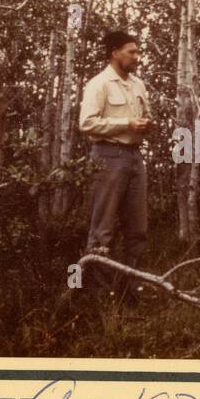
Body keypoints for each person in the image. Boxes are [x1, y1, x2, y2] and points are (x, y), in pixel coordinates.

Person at [78, 30, 151, 286]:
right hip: (107, 157)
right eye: (131, 52)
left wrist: (145, 124)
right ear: (115, 53)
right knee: (102, 230)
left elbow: (144, 116)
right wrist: (126, 124)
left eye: (137, 51)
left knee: (138, 230)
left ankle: (132, 290)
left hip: (134, 158)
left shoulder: (138, 84)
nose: (137, 57)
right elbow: (86, 124)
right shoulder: (98, 84)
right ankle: (100, 295)